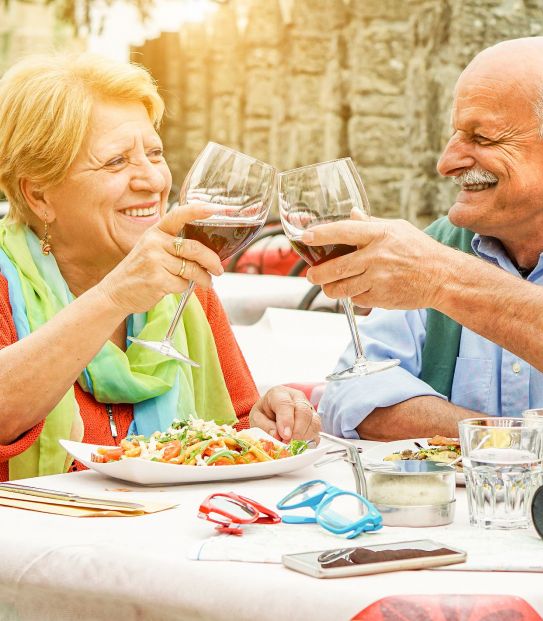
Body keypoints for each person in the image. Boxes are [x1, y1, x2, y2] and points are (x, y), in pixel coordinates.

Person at [0, 53, 320, 481]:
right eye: (116, 161)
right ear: (39, 195)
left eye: (155, 153)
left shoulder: (184, 284)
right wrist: (115, 296)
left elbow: (232, 428)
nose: (152, 180)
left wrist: (266, 421)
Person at [303, 36, 543, 440]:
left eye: (482, 137)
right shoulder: (443, 242)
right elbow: (353, 394)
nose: (447, 163)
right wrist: (514, 444)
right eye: (455, 135)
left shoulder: (435, 262)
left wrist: (444, 281)